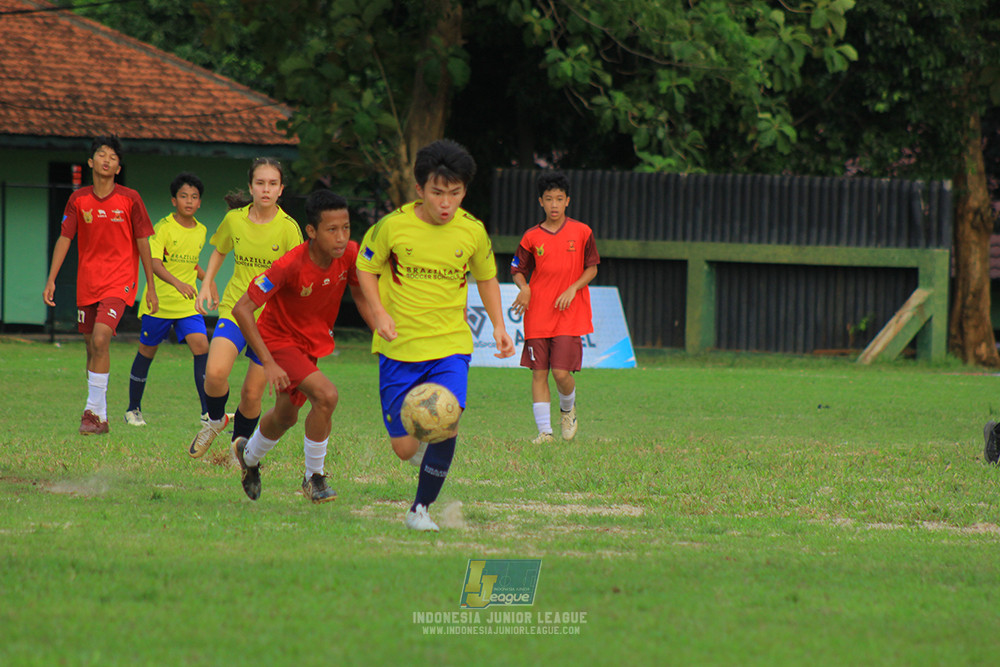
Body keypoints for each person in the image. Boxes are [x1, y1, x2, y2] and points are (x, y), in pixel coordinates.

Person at [356, 138, 515, 532]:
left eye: (456, 193)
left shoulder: (472, 231)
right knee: (404, 447)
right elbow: (365, 270)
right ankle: (422, 452)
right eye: (438, 192)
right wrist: (378, 313)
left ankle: (419, 509)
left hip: (450, 345)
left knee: (448, 420)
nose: (447, 203)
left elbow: (487, 278)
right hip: (400, 347)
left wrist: (498, 325)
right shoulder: (392, 226)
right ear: (420, 190)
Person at [230, 189, 375, 502]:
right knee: (326, 396)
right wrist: (268, 362)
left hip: (311, 344)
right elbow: (241, 309)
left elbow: (361, 295)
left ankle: (249, 457)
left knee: (286, 416)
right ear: (311, 231)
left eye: (346, 227)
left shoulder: (349, 254)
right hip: (279, 342)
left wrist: (379, 330)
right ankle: (314, 477)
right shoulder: (289, 265)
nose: (341, 237)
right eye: (331, 229)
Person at [186, 158, 303, 459]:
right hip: (236, 309)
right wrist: (207, 283)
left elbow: (297, 280)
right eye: (260, 183)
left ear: (281, 190)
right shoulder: (235, 220)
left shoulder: (289, 230)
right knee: (214, 373)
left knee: (252, 395)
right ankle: (215, 421)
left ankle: (239, 449)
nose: (266, 189)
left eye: (273, 184)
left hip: (271, 322)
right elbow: (219, 251)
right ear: (251, 187)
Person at [42, 135, 158, 435]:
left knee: (101, 338)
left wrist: (151, 285)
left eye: (113, 157)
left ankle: (91, 413)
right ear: (91, 162)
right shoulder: (78, 199)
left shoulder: (130, 199)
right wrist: (52, 278)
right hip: (88, 283)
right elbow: (65, 238)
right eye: (102, 155)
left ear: (118, 167)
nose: (107, 160)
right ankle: (100, 415)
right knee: (91, 349)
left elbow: (144, 242)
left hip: (120, 282)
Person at [510, 171, 599, 444]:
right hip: (537, 313)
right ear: (541, 202)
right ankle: (545, 433)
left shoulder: (582, 232)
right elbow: (516, 269)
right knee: (539, 373)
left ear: (568, 201)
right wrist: (524, 288)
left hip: (568, 313)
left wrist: (573, 288)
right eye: (549, 199)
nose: (554, 204)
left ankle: (568, 409)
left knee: (561, 373)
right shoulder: (531, 237)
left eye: (559, 198)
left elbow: (592, 268)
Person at [125, 172, 216, 427]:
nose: (189, 201)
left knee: (202, 345)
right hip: (161, 304)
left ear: (200, 203)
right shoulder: (163, 227)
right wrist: (177, 283)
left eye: (194, 197)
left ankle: (207, 412)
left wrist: (208, 281)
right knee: (147, 352)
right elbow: (154, 263)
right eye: (184, 196)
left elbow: (191, 262)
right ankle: (133, 409)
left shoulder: (201, 230)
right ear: (174, 200)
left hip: (187, 305)